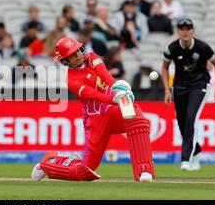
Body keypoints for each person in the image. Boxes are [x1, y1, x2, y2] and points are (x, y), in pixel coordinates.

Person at [31, 37, 155, 183]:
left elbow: (105, 75)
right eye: (72, 54)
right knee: (85, 171)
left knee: (137, 118)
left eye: (77, 50)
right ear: (65, 60)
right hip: (95, 119)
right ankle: (48, 163)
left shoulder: (91, 57)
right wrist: (113, 99)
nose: (78, 54)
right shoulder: (72, 81)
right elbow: (94, 96)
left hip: (113, 108)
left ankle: (144, 171)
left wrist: (117, 88)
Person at [161, 18, 215, 171]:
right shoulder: (172, 48)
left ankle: (185, 159)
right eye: (182, 28)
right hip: (180, 87)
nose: (185, 31)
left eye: (188, 28)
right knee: (182, 123)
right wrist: (167, 90)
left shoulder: (202, 47)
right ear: (178, 31)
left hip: (200, 85)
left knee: (191, 118)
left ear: (193, 31)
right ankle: (196, 153)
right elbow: (164, 67)